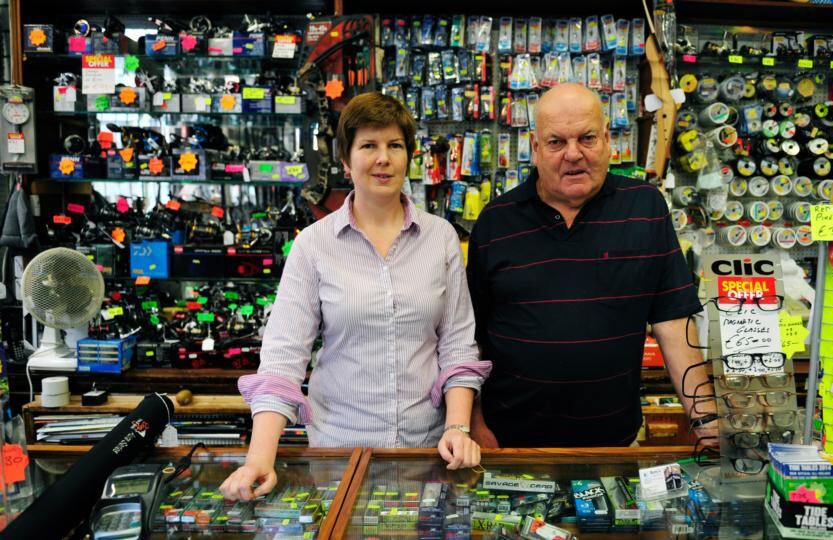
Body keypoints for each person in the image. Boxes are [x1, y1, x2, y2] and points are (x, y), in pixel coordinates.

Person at [220, 92, 491, 501]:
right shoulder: (313, 245)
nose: (383, 158)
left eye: (394, 146)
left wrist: (458, 427)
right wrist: (260, 457)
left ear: (408, 156)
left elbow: (456, 346)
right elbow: (283, 358)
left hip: (428, 454)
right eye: (368, 146)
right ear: (346, 160)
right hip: (339, 456)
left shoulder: (441, 238)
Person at [466, 83, 718, 448]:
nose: (573, 154)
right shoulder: (495, 222)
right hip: (509, 445)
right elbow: (469, 339)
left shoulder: (645, 209)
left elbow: (673, 323)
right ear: (535, 148)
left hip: (615, 445)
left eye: (586, 138)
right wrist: (474, 423)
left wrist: (707, 423)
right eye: (556, 142)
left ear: (606, 140)